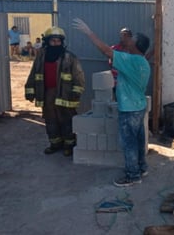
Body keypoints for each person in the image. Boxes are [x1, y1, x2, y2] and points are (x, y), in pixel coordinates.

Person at [73, 18, 150, 187]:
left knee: (128, 143)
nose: (128, 40)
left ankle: (132, 175)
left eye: (132, 39)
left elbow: (107, 51)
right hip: (139, 106)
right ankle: (142, 167)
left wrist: (89, 32)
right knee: (138, 140)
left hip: (129, 109)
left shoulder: (131, 61)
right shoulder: (143, 62)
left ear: (136, 45)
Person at [25, 26, 85, 157]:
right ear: (47, 42)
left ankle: (69, 144)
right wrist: (29, 90)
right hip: (47, 94)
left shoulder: (70, 57)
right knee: (50, 121)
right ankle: (55, 144)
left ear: (62, 42)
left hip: (65, 94)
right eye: (53, 41)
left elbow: (79, 76)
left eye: (58, 41)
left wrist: (76, 92)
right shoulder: (41, 57)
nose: (56, 43)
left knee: (67, 121)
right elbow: (33, 73)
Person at [109, 27, 133, 100]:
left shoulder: (133, 51)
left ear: (130, 37)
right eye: (122, 35)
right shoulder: (114, 49)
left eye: (126, 35)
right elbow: (111, 63)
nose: (123, 37)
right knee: (117, 104)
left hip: (129, 84)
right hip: (116, 83)